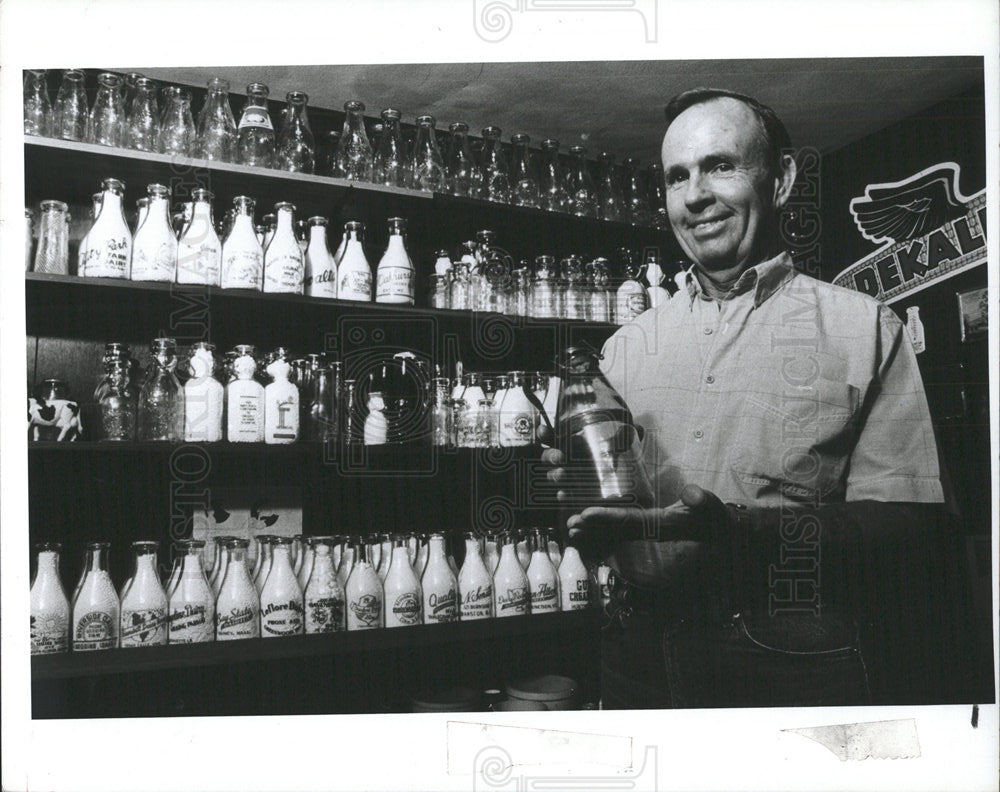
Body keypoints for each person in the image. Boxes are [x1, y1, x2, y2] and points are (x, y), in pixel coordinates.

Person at [543, 88, 961, 708]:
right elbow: (592, 518)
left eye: (720, 165)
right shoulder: (624, 349)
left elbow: (908, 525)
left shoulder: (865, 327)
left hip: (787, 653)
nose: (695, 196)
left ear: (781, 179)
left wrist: (739, 533)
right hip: (635, 648)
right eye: (676, 176)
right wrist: (570, 503)